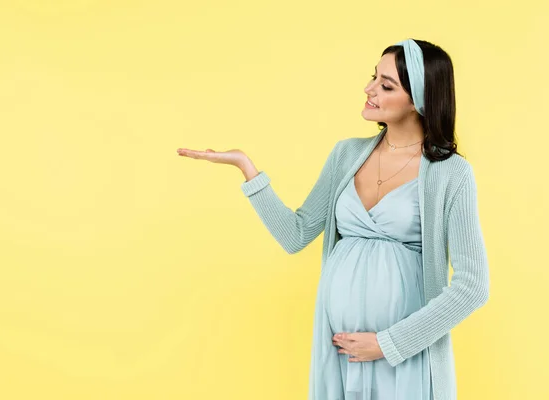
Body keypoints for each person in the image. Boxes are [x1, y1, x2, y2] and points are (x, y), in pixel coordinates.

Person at [176, 38, 489, 400]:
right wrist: (247, 168)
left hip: (404, 356)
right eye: (374, 77)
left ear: (420, 99)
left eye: (386, 85)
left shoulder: (451, 174)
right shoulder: (347, 154)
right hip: (337, 350)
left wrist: (389, 344)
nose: (369, 89)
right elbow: (296, 234)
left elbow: (473, 286)